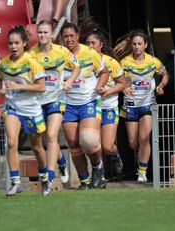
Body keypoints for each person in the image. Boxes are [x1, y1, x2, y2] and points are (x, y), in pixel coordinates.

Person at [28, 20, 80, 196]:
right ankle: (62, 161)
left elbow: (77, 67)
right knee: (43, 140)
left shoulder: (62, 51)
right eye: (40, 32)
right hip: (37, 102)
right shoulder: (31, 54)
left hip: (56, 100)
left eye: (45, 32)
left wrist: (69, 81)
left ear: (52, 35)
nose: (42, 35)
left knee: (51, 136)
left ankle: (49, 179)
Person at [0, 25, 48, 196]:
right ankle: (16, 182)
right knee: (11, 143)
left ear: (24, 43)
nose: (13, 46)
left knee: (37, 147)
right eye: (10, 43)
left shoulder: (32, 62)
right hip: (13, 108)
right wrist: (1, 90)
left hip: (32, 110)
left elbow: (41, 87)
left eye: (17, 43)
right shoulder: (3, 64)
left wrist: (18, 86)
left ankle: (45, 177)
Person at [116, 30, 170, 183]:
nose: (137, 47)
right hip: (130, 106)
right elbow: (116, 80)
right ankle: (141, 156)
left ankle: (142, 172)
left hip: (148, 104)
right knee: (133, 143)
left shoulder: (153, 61)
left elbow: (165, 74)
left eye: (140, 44)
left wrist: (161, 85)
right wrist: (123, 88)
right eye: (134, 44)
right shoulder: (124, 62)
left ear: (145, 45)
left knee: (144, 137)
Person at [61, 22, 109, 190]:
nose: (68, 39)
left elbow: (105, 72)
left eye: (71, 36)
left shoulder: (90, 53)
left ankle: (98, 169)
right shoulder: (58, 55)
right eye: (65, 36)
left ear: (77, 36)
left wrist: (99, 86)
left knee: (88, 140)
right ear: (61, 38)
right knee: (73, 143)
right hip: (67, 104)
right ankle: (84, 182)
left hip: (89, 101)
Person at [85, 29, 126, 179]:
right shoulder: (83, 61)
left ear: (101, 45)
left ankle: (116, 156)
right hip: (91, 107)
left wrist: (107, 92)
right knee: (94, 145)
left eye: (93, 43)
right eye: (87, 43)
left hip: (109, 106)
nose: (90, 46)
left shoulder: (111, 62)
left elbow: (122, 83)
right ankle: (99, 175)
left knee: (107, 146)